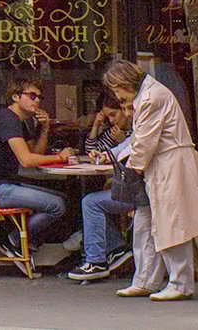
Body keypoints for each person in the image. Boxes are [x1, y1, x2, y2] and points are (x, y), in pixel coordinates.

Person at [104, 59, 198, 302]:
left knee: (173, 224)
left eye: (117, 90)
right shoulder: (148, 94)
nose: (118, 96)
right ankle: (145, 279)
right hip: (161, 164)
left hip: (170, 164)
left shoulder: (151, 98)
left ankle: (180, 283)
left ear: (124, 83)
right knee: (146, 223)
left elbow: (145, 141)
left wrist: (131, 170)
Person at [0, 75, 73, 256]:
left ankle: (29, 243)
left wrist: (45, 128)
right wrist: (60, 157)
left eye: (40, 97)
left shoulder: (18, 120)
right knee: (57, 205)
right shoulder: (7, 119)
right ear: (16, 97)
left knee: (63, 198)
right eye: (32, 96)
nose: (37, 100)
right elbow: (27, 160)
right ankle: (13, 240)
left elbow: (36, 154)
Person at [68, 97, 137, 282]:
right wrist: (102, 154)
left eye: (116, 113)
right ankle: (116, 249)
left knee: (91, 202)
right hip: (137, 189)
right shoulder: (130, 132)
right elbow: (117, 149)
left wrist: (111, 153)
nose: (112, 120)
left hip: (139, 193)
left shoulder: (136, 132)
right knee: (93, 199)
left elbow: (126, 149)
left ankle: (96, 260)